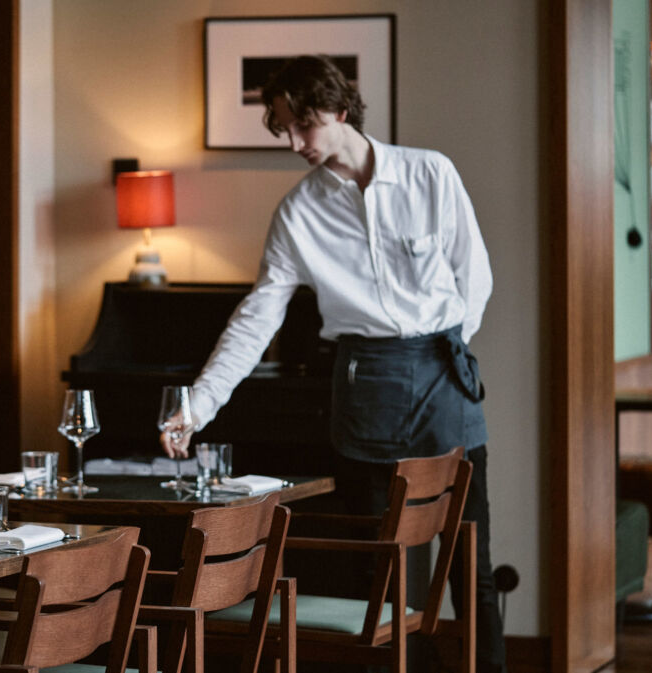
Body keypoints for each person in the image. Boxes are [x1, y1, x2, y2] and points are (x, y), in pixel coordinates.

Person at [159, 55, 505, 673]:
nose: (294, 144)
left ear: (341, 111)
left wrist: (437, 348)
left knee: (467, 564)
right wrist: (198, 404)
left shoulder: (431, 174)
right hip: (365, 386)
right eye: (282, 130)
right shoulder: (298, 214)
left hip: (444, 376)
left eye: (304, 126)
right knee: (380, 573)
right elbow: (256, 318)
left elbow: (473, 280)